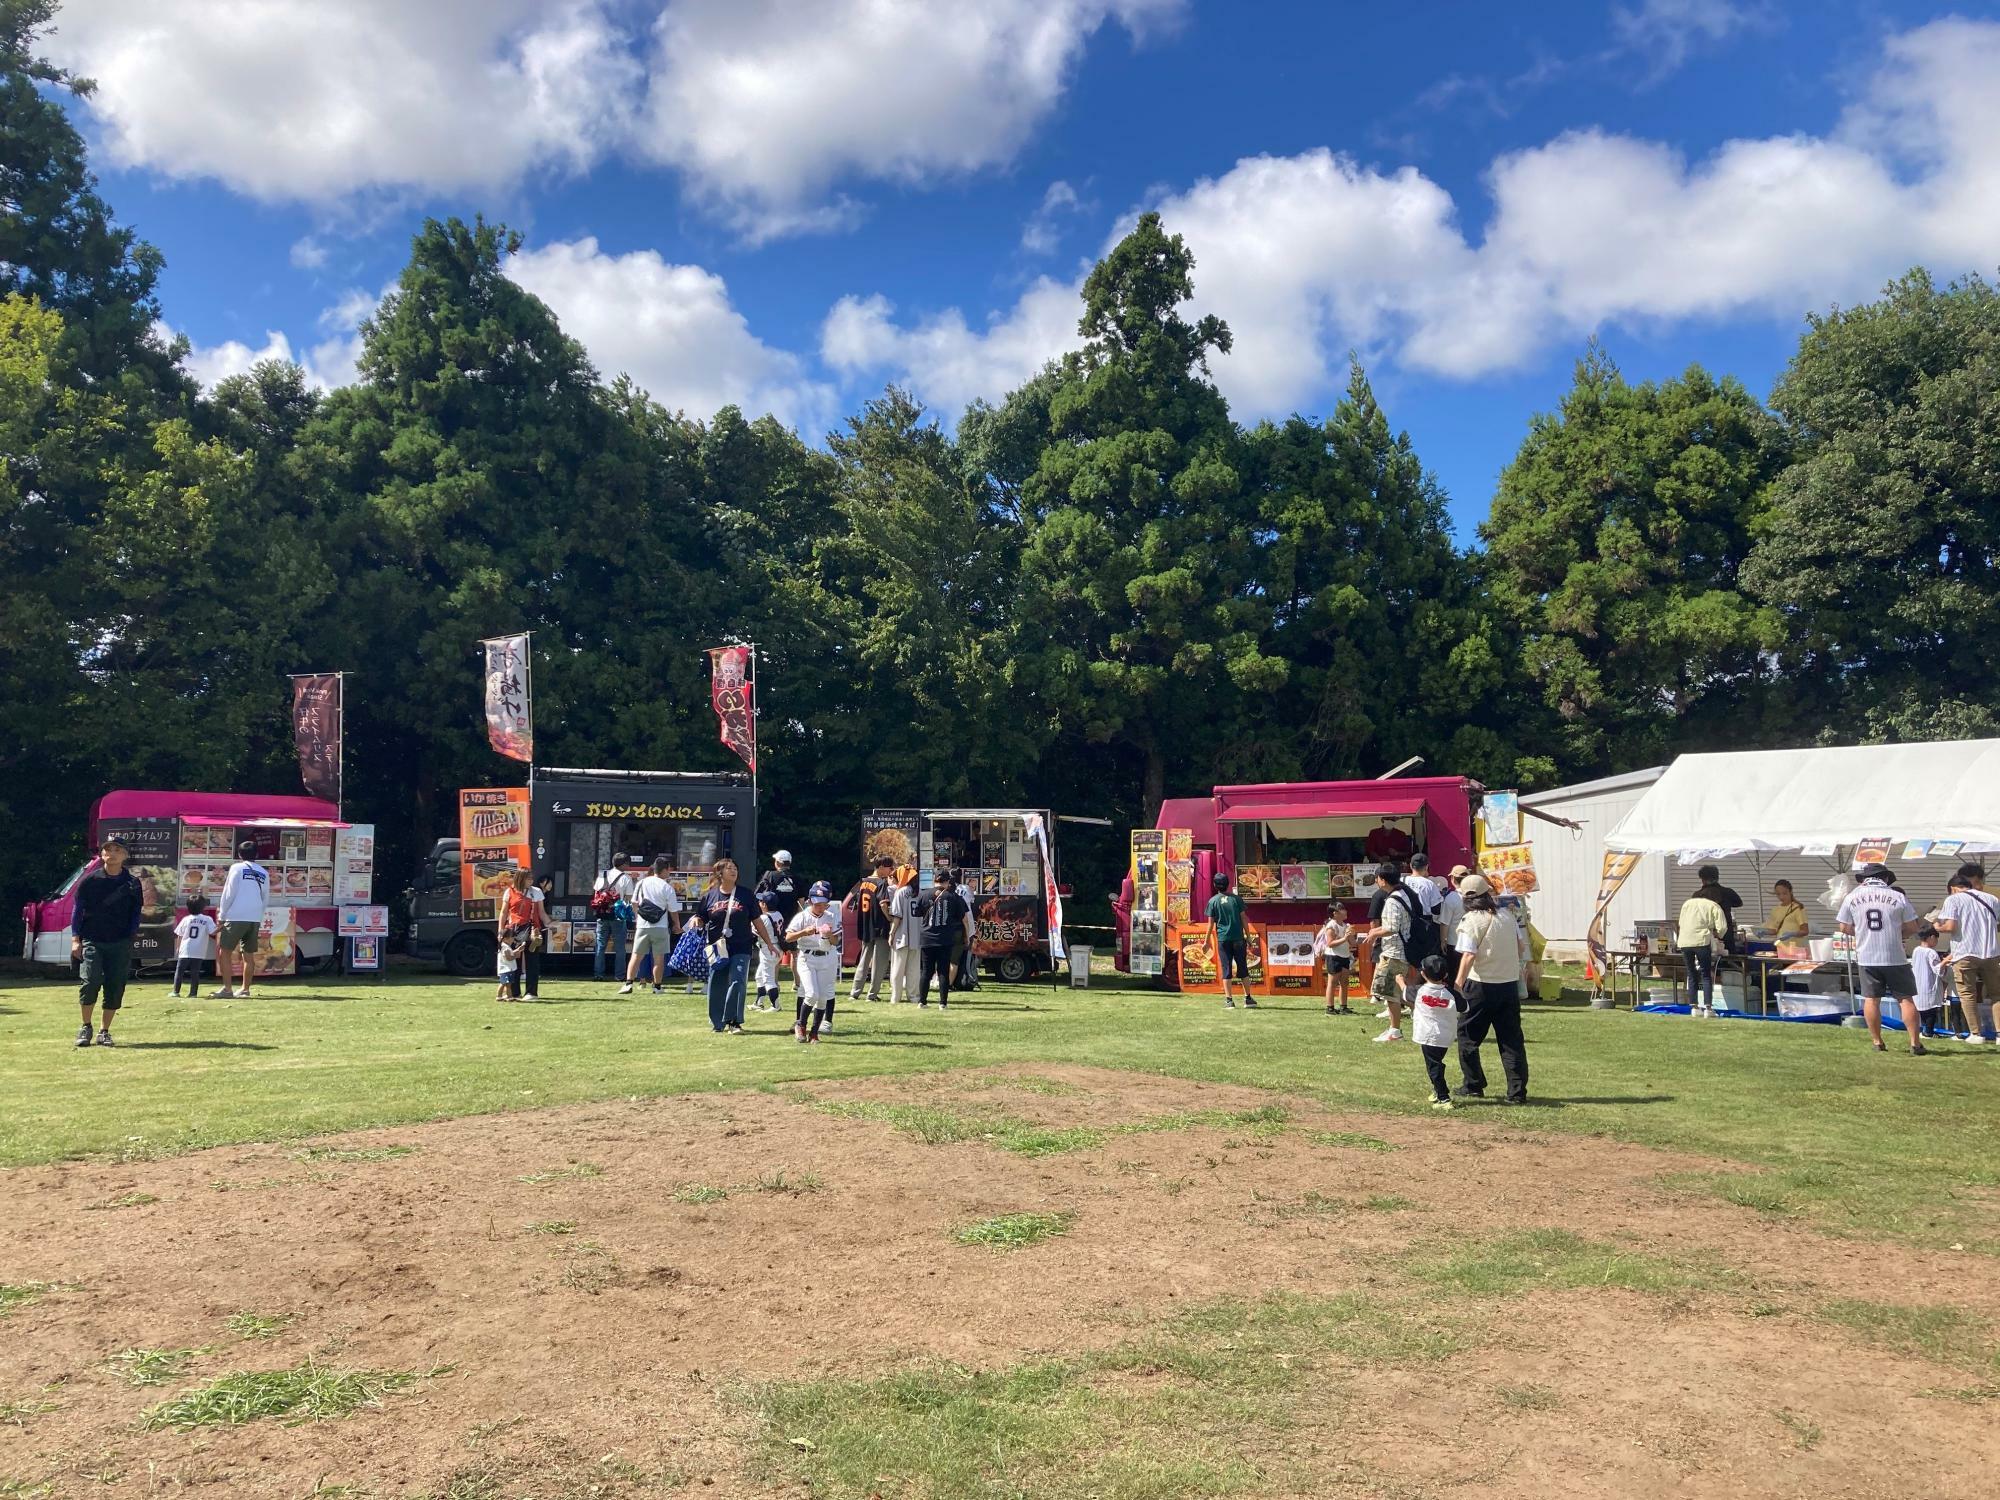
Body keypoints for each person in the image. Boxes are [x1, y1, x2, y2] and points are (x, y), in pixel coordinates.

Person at [1452, 874, 1532, 1103]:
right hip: (1508, 985)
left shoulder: (1470, 921)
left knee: (1467, 1036)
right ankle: (1517, 1093)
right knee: (1511, 1040)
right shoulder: (1507, 916)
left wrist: (1458, 984)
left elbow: (1468, 955)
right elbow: (1519, 948)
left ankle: (1473, 1084)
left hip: (1480, 985)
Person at [1836, 865, 1925, 1055]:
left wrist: (1860, 933)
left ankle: (1877, 1042)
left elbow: (1844, 927)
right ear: (1885, 878)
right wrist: (1899, 934)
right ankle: (1915, 1043)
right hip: (1895, 956)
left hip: (1867, 956)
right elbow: (1912, 926)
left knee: (1871, 999)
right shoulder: (1897, 896)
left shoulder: (1852, 897)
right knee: (1905, 999)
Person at [73, 836, 143, 1047]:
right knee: (90, 981)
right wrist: (76, 939)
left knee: (115, 985)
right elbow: (78, 911)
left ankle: (105, 1031)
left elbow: (136, 912)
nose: (111, 853)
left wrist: (131, 935)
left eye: (116, 850)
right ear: (101, 853)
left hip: (120, 941)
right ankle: (86, 1026)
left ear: (125, 855)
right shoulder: (90, 881)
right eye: (107, 849)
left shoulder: (132, 883)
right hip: (93, 939)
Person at [697, 858, 773, 1034]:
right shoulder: (710, 896)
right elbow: (700, 917)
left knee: (738, 980)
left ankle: (733, 1021)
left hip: (742, 945)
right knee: (717, 983)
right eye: (729, 868)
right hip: (717, 947)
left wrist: (769, 943)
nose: (733, 871)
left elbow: (757, 921)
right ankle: (717, 1023)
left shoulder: (746, 895)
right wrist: (696, 921)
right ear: (720, 873)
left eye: (735, 868)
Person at [1936, 862, 2000, 1045]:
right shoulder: (1992, 899)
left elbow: (1950, 926)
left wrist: (1936, 925)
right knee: (1997, 995)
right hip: (1991, 952)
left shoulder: (1954, 900)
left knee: (1968, 995)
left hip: (1964, 952)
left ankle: (1976, 1033)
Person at [1359, 863, 1416, 1042]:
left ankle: (1395, 1030)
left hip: (1395, 951)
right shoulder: (1403, 894)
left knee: (1390, 993)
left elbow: (1391, 927)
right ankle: (1396, 1027)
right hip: (1400, 950)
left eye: (1377, 878)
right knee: (1394, 993)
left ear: (1383, 880)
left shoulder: (1392, 900)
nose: (1376, 881)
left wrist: (1374, 932)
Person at [211, 840, 270, 999]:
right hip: (254, 918)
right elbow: (265, 898)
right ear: (256, 854)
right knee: (249, 955)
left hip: (236, 916)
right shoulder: (264, 872)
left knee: (225, 952)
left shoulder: (236, 868)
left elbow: (228, 893)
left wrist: (222, 916)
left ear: (238, 854)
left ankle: (227, 989)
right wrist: (258, 915)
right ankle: (245, 989)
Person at [619, 857, 683, 995]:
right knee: (659, 958)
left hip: (642, 925)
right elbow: (673, 910)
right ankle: (657, 986)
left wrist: (638, 918)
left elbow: (634, 903)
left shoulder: (641, 883)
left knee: (636, 956)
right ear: (665, 870)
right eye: (668, 870)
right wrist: (677, 925)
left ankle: (628, 984)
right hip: (660, 926)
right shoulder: (667, 887)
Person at [788, 881, 843, 1043]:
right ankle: (801, 1025)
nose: (821, 906)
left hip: (827, 957)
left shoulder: (831, 916)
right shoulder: (802, 916)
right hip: (807, 957)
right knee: (811, 993)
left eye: (824, 903)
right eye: (817, 903)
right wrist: (805, 931)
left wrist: (828, 935)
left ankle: (814, 1032)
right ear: (811, 901)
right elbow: (788, 936)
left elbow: (835, 941)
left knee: (823, 996)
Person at [913, 868, 973, 1009]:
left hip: (927, 937)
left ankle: (922, 1001)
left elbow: (917, 912)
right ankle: (942, 1003)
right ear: (948, 881)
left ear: (934, 879)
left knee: (926, 971)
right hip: (945, 938)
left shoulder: (924, 894)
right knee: (943, 971)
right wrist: (966, 936)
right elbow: (963, 918)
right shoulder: (954, 897)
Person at [754, 850, 804, 1011]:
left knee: (772, 954)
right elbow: (801, 901)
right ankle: (797, 983)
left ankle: (774, 986)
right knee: (795, 954)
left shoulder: (770, 876)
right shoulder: (796, 878)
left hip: (772, 919)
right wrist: (797, 919)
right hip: (791, 922)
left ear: (777, 862)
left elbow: (759, 895)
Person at [1411, 954, 1460, 1110]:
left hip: (1427, 1036)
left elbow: (1405, 994)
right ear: (1446, 975)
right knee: (1436, 1063)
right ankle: (1437, 1089)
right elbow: (1465, 1007)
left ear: (1423, 974)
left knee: (1434, 1066)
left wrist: (1399, 982)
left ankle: (1444, 1098)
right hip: (1445, 1036)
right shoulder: (1451, 994)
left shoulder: (1419, 991)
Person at [847, 855, 895, 1004]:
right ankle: (872, 994)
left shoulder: (863, 882)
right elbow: (883, 904)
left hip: (866, 925)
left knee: (864, 959)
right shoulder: (881, 883)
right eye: (889, 867)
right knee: (879, 963)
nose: (891, 871)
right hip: (879, 926)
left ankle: (854, 992)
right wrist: (890, 918)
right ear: (881, 867)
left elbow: (855, 903)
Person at [1676, 884, 1728, 1016]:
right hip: (1701, 941)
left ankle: (1694, 1007)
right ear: (1716, 899)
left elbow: (1681, 923)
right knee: (1705, 974)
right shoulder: (1714, 906)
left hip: (1685, 941)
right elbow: (1722, 928)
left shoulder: (1687, 904)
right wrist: (1717, 935)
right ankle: (1708, 1008)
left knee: (1691, 973)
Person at [1205, 873, 1255, 1010]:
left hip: (1223, 939)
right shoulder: (1237, 899)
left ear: (1215, 885)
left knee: (1226, 969)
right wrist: (1249, 936)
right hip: (1238, 938)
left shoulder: (1213, 901)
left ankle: (1229, 1000)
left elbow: (1210, 924)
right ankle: (1248, 998)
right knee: (1243, 967)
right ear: (1228, 884)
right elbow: (1244, 918)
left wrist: (1206, 941)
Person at [497, 870, 544, 999]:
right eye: (528, 879)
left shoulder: (536, 892)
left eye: (531, 878)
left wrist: (550, 923)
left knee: (532, 961)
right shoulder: (509, 891)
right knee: (513, 961)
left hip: (532, 929)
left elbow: (542, 913)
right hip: (513, 930)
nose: (531, 881)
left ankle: (531, 992)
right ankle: (514, 992)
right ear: (521, 879)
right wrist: (501, 931)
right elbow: (504, 912)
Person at [591, 855, 637, 981]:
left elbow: (596, 893)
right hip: (618, 916)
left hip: (602, 914)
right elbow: (628, 899)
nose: (628, 866)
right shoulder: (626, 878)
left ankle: (598, 974)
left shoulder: (602, 875)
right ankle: (619, 975)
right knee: (620, 947)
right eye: (628, 864)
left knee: (600, 945)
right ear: (623, 864)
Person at [171, 895, 216, 998]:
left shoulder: (186, 919)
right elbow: (213, 932)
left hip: (185, 949)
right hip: (199, 950)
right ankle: (193, 993)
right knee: (195, 973)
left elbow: (179, 935)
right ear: (203, 907)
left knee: (180, 971)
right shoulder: (207, 919)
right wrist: (222, 927)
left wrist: (178, 947)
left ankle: (175, 992)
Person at [886, 864, 919, 1005]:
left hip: (902, 936)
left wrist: (891, 933)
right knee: (914, 970)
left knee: (897, 969)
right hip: (917, 936)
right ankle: (914, 997)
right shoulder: (920, 892)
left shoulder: (900, 892)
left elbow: (897, 917)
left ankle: (895, 997)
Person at [1912, 924, 1951, 1039]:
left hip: (1918, 984)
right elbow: (1938, 969)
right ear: (1931, 937)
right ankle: (1928, 1032)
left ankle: (1925, 1030)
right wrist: (1947, 960)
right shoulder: (1931, 953)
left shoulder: (1916, 950)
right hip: (1929, 985)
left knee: (1923, 1009)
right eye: (1936, 938)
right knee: (1932, 1010)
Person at [1314, 905, 1354, 1015]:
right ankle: (1330, 1008)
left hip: (1345, 955)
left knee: (1345, 982)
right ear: (1334, 913)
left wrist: (1351, 935)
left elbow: (1353, 943)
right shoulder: (1331, 925)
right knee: (1332, 982)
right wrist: (1345, 938)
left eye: (1344, 908)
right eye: (1341, 909)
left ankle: (1343, 1007)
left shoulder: (1345, 925)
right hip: (1333, 956)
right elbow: (1330, 943)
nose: (1345, 911)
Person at [1694, 863, 1744, 950]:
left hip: (1704, 934)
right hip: (1726, 933)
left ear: (1702, 879)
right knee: (1729, 959)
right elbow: (1739, 903)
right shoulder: (1728, 892)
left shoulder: (1697, 895)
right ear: (1717, 877)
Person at [952, 870, 981, 992]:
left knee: (954, 958)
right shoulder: (965, 889)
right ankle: (962, 980)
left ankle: (960, 980)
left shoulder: (949, 891)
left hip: (956, 928)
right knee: (964, 957)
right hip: (966, 927)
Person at [1438, 865, 1470, 953]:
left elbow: (1444, 923)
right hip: (1472, 942)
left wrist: (1443, 941)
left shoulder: (1451, 898)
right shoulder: (1475, 895)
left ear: (1452, 879)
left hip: (1454, 943)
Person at [496, 923, 530, 1001]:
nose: (513, 939)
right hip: (506, 969)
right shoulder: (505, 947)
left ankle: (507, 996)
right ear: (505, 939)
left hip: (508, 969)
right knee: (504, 984)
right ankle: (502, 996)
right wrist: (516, 956)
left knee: (507, 984)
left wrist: (518, 950)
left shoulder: (506, 947)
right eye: (511, 937)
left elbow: (510, 953)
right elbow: (508, 957)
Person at [1404, 852, 1443, 917]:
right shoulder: (1429, 884)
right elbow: (1436, 910)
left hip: (1404, 920)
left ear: (1410, 865)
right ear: (1426, 867)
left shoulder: (1401, 881)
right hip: (1422, 922)